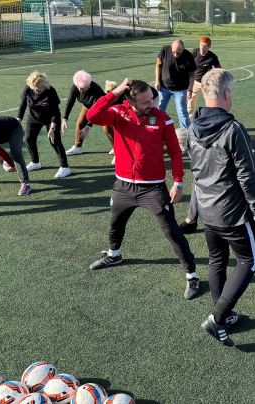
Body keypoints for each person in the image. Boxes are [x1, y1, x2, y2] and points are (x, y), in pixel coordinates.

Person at [85, 78, 200, 300]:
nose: (152, 104)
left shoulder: (162, 119)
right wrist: (116, 91)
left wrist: (177, 181)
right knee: (115, 223)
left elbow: (176, 153)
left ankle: (192, 275)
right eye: (146, 101)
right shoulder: (118, 113)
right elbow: (93, 116)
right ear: (130, 100)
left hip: (153, 189)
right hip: (123, 186)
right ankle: (114, 254)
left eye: (152, 99)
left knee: (172, 233)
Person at [187, 68, 255, 347]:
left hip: (208, 210)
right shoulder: (233, 129)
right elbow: (247, 173)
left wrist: (194, 210)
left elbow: (195, 171)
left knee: (216, 260)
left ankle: (226, 314)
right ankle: (218, 318)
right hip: (232, 212)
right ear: (227, 93)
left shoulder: (192, 127)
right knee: (250, 261)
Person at [180, 135, 255, 234]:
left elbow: (249, 186)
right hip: (253, 154)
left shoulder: (247, 161)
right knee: (251, 171)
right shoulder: (230, 155)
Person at [17, 71, 71, 178]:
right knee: (28, 139)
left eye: (40, 89)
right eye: (35, 89)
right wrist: (18, 119)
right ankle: (35, 162)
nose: (38, 91)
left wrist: (52, 128)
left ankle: (65, 167)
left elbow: (55, 111)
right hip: (34, 117)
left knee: (54, 141)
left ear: (44, 85)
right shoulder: (28, 89)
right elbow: (22, 105)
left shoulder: (51, 91)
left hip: (50, 118)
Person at [62, 70, 114, 156]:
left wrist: (88, 126)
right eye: (80, 88)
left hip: (102, 108)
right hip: (88, 106)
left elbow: (96, 111)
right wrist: (65, 118)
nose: (81, 90)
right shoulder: (75, 86)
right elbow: (70, 101)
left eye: (84, 88)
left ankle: (117, 150)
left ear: (89, 84)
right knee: (80, 124)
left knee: (107, 129)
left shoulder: (96, 90)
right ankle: (77, 147)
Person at [155, 39, 196, 132]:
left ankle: (186, 135)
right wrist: (157, 80)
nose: (176, 55)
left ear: (183, 49)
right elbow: (158, 65)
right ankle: (156, 130)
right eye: (174, 52)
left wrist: (190, 89)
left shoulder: (188, 56)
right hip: (164, 88)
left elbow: (192, 75)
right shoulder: (164, 50)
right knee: (158, 110)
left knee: (182, 113)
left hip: (180, 90)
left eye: (178, 53)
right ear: (171, 47)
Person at [187, 36, 221, 121]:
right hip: (195, 82)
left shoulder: (212, 57)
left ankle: (213, 120)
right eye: (201, 45)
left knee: (211, 101)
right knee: (190, 102)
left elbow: (219, 69)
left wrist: (215, 78)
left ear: (209, 47)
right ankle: (189, 121)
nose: (202, 47)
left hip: (207, 83)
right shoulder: (195, 52)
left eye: (205, 46)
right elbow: (188, 64)